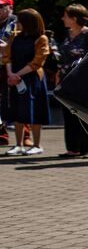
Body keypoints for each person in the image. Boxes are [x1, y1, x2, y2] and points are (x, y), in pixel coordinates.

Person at [56, 4, 88, 158]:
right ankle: (73, 148)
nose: (62, 18)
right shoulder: (68, 34)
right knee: (69, 113)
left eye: (65, 15)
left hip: (84, 81)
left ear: (74, 18)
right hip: (66, 80)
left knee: (85, 114)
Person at [4, 9, 51, 156]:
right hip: (15, 78)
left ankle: (37, 145)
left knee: (35, 111)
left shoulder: (41, 39)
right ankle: (18, 145)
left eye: (19, 21)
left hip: (32, 79)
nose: (16, 23)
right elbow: (7, 56)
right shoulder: (14, 37)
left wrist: (16, 75)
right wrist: (11, 73)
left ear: (28, 23)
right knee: (17, 111)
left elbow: (37, 62)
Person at [0, 0, 17, 147]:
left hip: (13, 68)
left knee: (15, 101)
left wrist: (7, 47)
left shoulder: (18, 23)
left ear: (10, 7)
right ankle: (2, 136)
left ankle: (24, 138)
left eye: (1, 6)